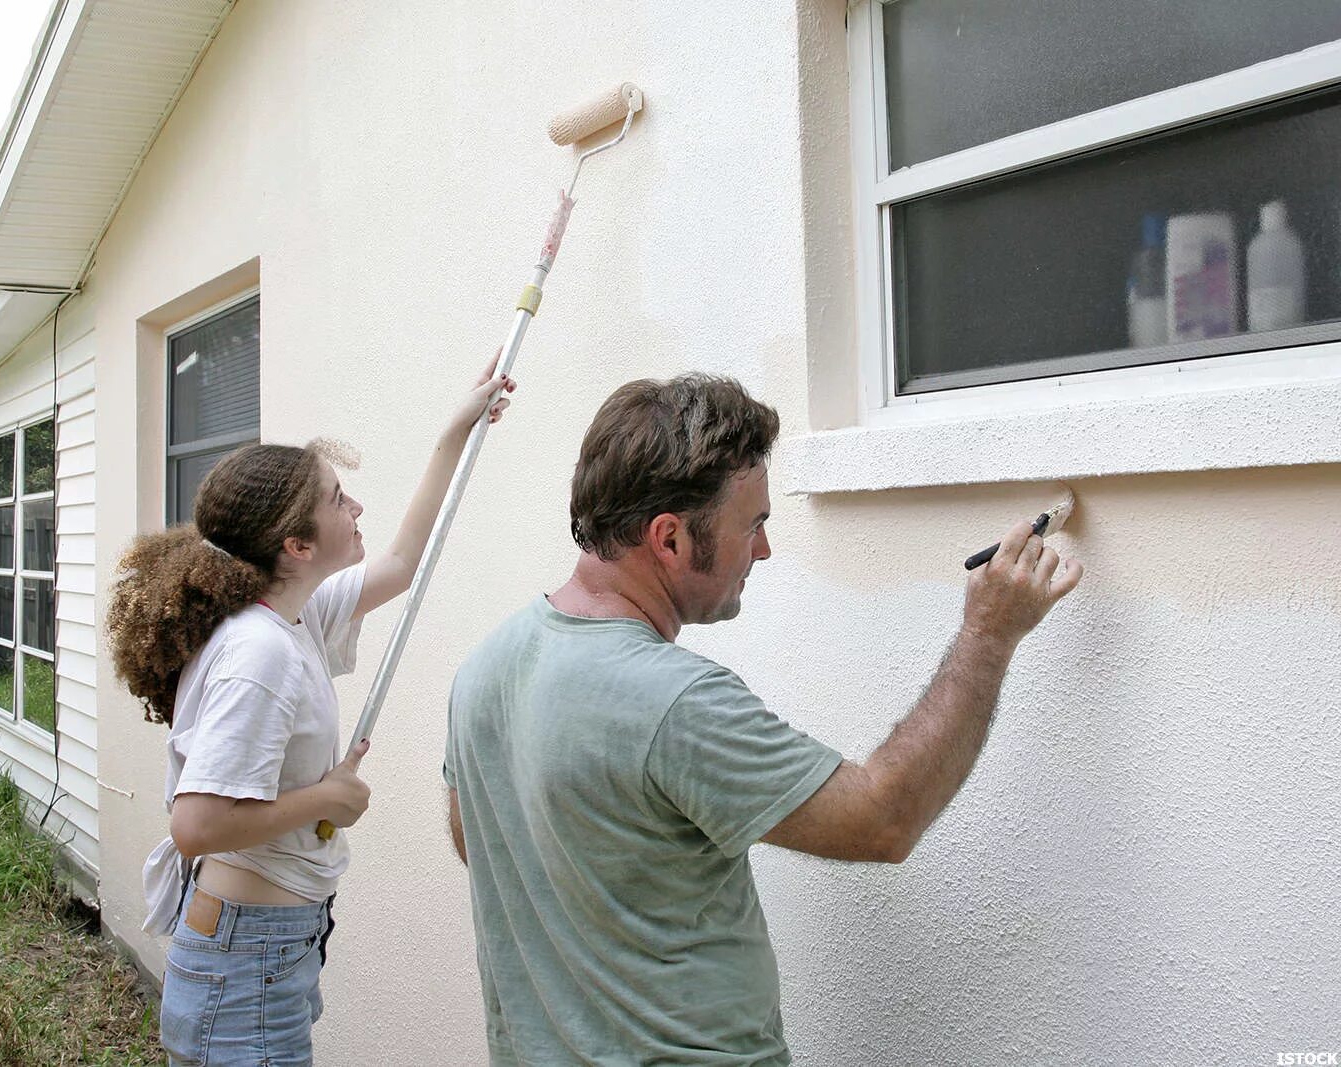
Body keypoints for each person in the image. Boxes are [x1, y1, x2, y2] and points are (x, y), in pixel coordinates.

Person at [444, 374, 1083, 1065]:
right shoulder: (675, 702)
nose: (765, 550)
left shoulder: (486, 667)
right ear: (670, 538)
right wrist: (987, 635)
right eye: (753, 525)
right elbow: (883, 819)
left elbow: (477, 837)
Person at [108, 358, 515, 1067]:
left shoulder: (293, 613)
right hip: (245, 957)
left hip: (262, 945)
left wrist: (456, 431)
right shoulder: (259, 652)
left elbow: (400, 563)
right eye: (337, 500)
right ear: (296, 546)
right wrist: (321, 797)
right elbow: (196, 823)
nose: (355, 508)